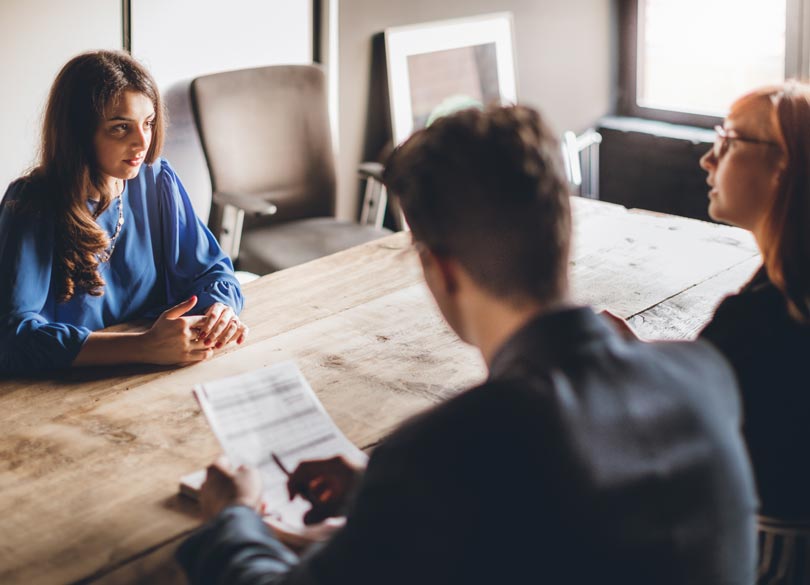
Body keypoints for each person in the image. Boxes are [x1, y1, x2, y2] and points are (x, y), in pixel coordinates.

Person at [177, 105, 757, 584]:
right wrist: (383, 496)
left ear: (442, 270)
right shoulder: (703, 376)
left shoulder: (443, 454)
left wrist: (232, 518)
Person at [0, 50, 247, 374]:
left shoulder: (156, 179)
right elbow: (13, 339)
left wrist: (220, 311)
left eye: (148, 123)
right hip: (64, 389)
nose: (142, 141)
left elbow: (213, 272)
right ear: (79, 132)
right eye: (120, 128)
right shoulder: (32, 204)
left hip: (156, 373)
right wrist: (143, 347)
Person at [697, 82, 810, 583]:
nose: (707, 159)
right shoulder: (783, 288)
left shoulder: (757, 323)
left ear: (783, 165)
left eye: (728, 140)